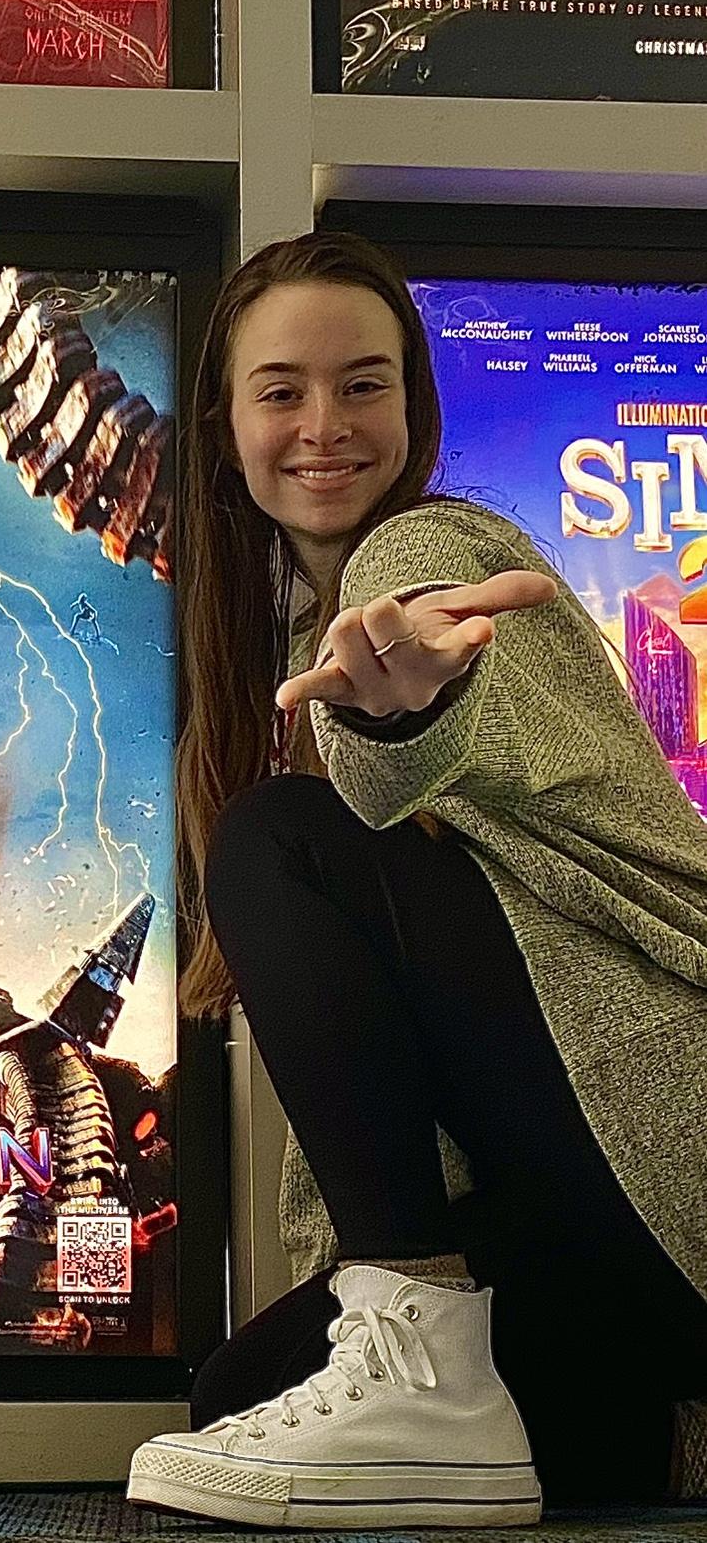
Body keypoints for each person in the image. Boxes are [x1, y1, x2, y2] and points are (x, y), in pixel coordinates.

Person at [127, 232, 707, 1527]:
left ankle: (421, 1363)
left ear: (414, 405)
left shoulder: (428, 552)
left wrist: (398, 720)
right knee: (238, 1400)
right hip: (578, 1199)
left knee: (279, 837)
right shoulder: (276, 645)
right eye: (282, 391)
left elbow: (435, 721)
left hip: (664, 1118)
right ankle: (630, 1431)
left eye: (364, 384)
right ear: (226, 426)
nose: (324, 424)